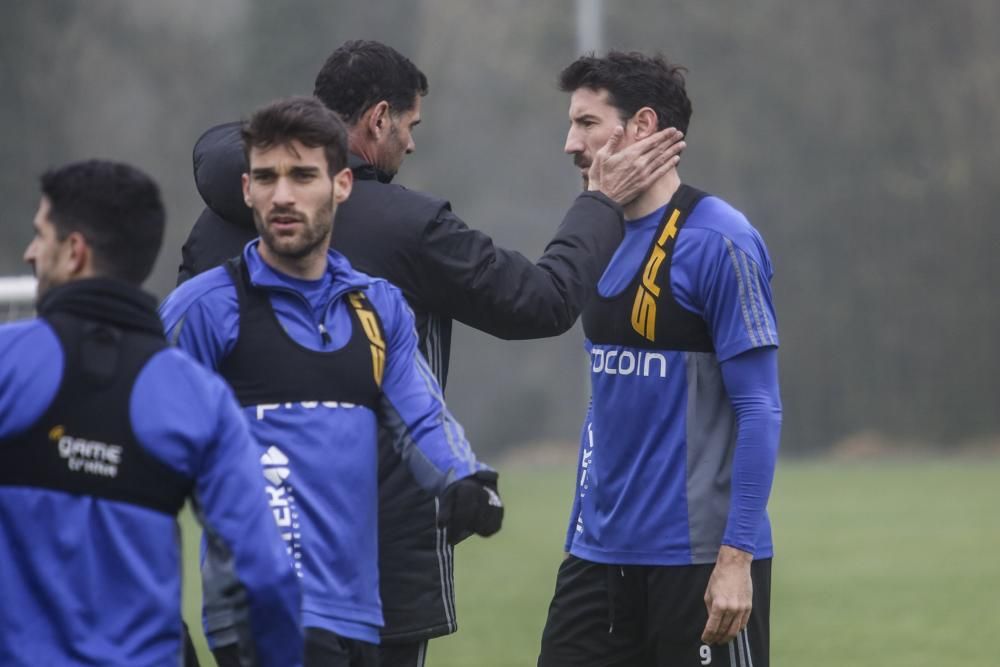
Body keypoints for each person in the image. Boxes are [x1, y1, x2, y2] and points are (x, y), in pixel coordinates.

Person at [176, 39, 685, 667]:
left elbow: (163, 419)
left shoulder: (211, 230)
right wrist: (601, 202)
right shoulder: (405, 226)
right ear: (378, 118)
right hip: (379, 563)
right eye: (409, 127)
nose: (410, 145)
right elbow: (540, 301)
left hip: (243, 565)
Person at [159, 96, 503, 667]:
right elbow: (142, 451)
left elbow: (418, 414)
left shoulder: (376, 308)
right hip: (258, 609)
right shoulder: (202, 310)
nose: (283, 195)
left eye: (302, 175)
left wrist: (463, 479)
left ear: (342, 184)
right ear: (247, 191)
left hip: (358, 611)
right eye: (266, 177)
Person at [0, 159, 302, 666]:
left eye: (40, 235)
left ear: (74, 252)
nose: (30, 252)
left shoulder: (7, 364)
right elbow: (262, 576)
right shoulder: (197, 397)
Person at [537, 52, 782, 667]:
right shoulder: (591, 238)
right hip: (597, 556)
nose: (571, 143)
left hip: (697, 561)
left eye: (587, 123)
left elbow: (760, 408)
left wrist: (736, 559)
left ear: (641, 126)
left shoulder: (719, 238)